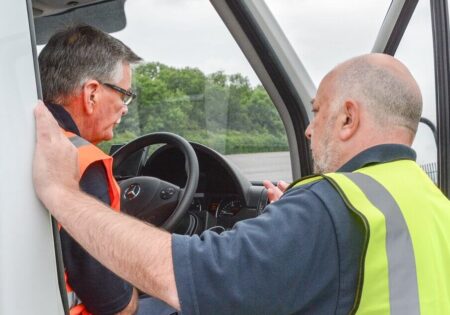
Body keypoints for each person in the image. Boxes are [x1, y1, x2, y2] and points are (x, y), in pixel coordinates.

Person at [33, 53, 450, 314]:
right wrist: (289, 223)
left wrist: (63, 194)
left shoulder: (331, 206)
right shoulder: (432, 202)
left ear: (348, 119)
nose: (308, 130)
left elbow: (184, 274)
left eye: (318, 111)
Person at [38, 25, 143, 315]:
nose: (124, 108)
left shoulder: (20, 141)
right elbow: (115, 306)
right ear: (92, 94)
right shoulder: (82, 163)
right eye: (124, 95)